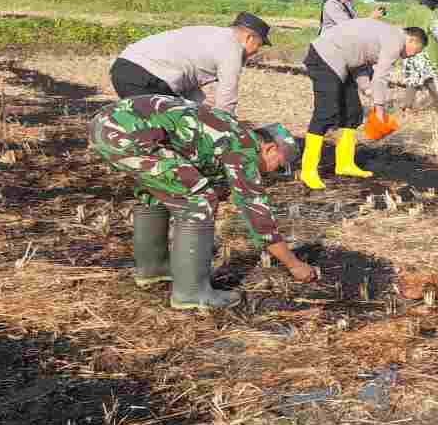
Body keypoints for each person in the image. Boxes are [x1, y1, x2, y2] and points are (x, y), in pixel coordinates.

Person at [89, 94, 315, 311]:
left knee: (156, 192)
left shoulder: (232, 131)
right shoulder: (244, 149)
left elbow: (201, 163)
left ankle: (153, 269)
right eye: (279, 165)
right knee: (200, 200)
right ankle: (192, 293)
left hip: (107, 124)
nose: (272, 172)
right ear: (270, 148)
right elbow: (258, 215)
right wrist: (294, 264)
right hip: (127, 133)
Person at [300, 19, 427, 190]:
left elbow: (359, 60)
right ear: (411, 39)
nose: (412, 55)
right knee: (326, 112)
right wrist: (379, 108)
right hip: (325, 57)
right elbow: (380, 77)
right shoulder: (395, 41)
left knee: (353, 113)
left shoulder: (387, 35)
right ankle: (308, 171)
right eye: (416, 51)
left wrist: (366, 88)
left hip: (342, 61)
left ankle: (345, 164)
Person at [109, 12, 271, 116]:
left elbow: (188, 81)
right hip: (144, 77)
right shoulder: (233, 48)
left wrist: (201, 111)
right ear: (249, 38)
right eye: (259, 45)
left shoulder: (213, 35)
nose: (257, 50)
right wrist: (226, 127)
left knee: (174, 120)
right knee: (167, 128)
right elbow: (227, 96)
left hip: (126, 68)